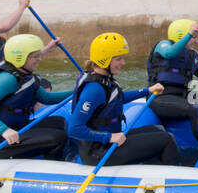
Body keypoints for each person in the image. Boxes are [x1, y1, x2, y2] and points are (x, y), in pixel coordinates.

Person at [68, 33, 180, 166]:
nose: (123, 63)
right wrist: (109, 137)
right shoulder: (94, 89)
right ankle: (171, 180)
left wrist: (147, 90)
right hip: (99, 151)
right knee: (166, 140)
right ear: (105, 60)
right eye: (118, 59)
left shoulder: (104, 79)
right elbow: (74, 129)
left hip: (110, 140)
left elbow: (116, 98)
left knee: (158, 129)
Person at [0, 34, 71, 160]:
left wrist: (78, 90)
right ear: (20, 58)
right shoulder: (6, 79)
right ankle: (50, 169)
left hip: (16, 128)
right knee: (58, 138)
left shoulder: (26, 75)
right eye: (35, 56)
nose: (39, 59)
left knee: (59, 122)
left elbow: (47, 98)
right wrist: (4, 130)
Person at [147, 19, 198, 137]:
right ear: (182, 35)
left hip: (183, 97)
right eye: (194, 37)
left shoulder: (192, 56)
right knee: (194, 110)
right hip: (160, 97)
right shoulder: (163, 45)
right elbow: (170, 53)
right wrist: (189, 34)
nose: (197, 41)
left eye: (197, 37)